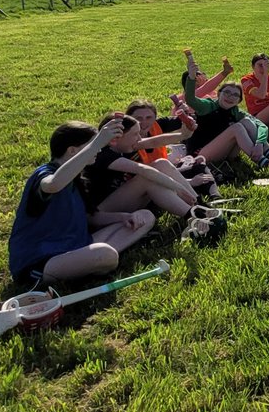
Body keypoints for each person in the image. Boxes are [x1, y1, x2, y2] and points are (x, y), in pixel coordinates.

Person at [8, 117, 157, 289]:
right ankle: (96, 263)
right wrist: (96, 144)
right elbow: (53, 184)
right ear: (72, 151)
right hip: (41, 262)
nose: (98, 151)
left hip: (77, 244)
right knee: (105, 254)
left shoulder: (79, 177)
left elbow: (89, 218)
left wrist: (123, 217)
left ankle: (92, 264)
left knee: (145, 217)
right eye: (93, 146)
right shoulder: (45, 174)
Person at [80, 113, 204, 228]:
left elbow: (155, 141)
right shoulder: (103, 154)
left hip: (123, 201)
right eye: (135, 134)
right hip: (100, 214)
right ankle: (195, 218)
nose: (139, 139)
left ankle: (199, 205)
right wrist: (178, 188)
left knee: (161, 163)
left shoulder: (121, 145)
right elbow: (143, 170)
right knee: (147, 179)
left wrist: (183, 135)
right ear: (116, 138)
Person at [181, 55, 269, 172]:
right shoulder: (208, 105)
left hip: (226, 151)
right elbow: (190, 99)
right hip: (200, 154)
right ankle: (263, 162)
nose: (230, 97)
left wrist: (259, 143)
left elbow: (261, 126)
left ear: (239, 101)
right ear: (219, 94)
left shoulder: (236, 111)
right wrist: (191, 76)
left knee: (246, 122)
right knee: (237, 127)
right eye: (227, 92)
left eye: (235, 95)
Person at [125, 97, 221, 201]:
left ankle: (215, 197)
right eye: (138, 118)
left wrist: (188, 116)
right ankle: (196, 203)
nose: (143, 122)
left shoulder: (158, 125)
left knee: (198, 164)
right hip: (147, 183)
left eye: (149, 117)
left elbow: (183, 121)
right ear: (128, 119)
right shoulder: (125, 139)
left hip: (165, 173)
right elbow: (154, 144)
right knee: (171, 169)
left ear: (155, 118)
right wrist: (190, 181)